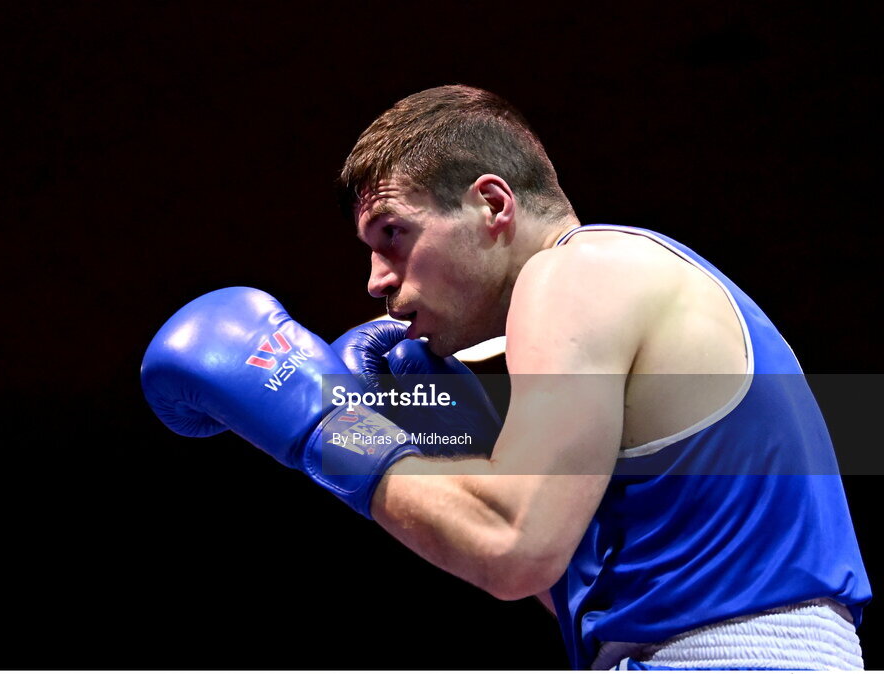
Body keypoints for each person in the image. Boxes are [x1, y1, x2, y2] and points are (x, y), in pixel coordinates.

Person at [141, 85, 870, 670]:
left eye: (393, 234)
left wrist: (328, 423)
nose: (375, 282)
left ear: (492, 204)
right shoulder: (623, 289)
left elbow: (511, 550)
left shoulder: (576, 271)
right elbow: (584, 588)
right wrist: (441, 440)